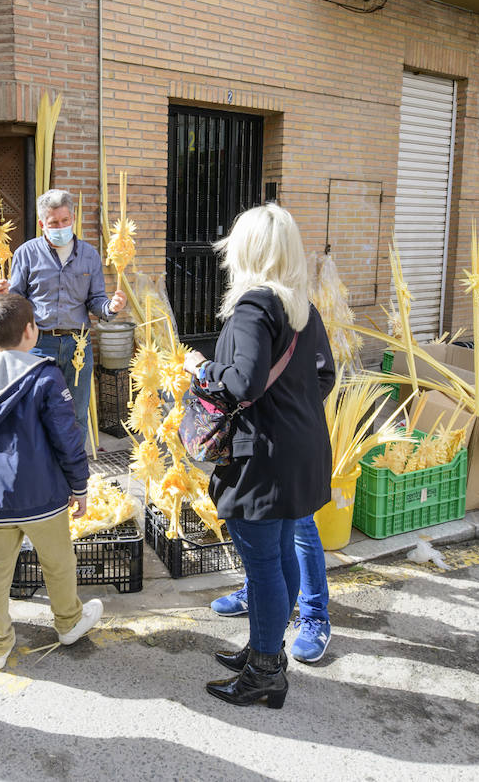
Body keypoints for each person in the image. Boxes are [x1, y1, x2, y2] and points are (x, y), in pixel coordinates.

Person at [181, 204, 336, 709]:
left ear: (246, 250)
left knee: (264, 564)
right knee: (282, 553)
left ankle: (266, 671)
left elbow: (242, 382)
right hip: (302, 448)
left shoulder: (253, 305)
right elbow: (323, 377)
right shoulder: (300, 307)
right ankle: (264, 651)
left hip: (262, 456)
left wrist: (202, 369)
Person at [0, 293, 104, 671]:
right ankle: (68, 622)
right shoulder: (46, 375)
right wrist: (79, 486)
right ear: (32, 331)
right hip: (42, 495)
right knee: (59, 562)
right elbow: (68, 437)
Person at [0, 188, 126, 439]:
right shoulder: (26, 253)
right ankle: (40, 471)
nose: (61, 226)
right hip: (38, 343)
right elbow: (16, 299)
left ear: (72, 218)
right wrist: (2, 294)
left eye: (65, 221)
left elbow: (96, 300)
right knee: (34, 410)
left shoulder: (89, 255)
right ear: (43, 223)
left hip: (78, 345)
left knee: (75, 413)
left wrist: (111, 308)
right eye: (54, 223)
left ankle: (74, 473)